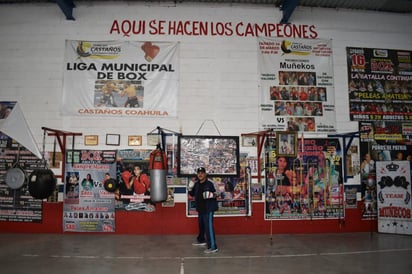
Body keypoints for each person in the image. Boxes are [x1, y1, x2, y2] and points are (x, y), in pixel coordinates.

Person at [188, 167, 219, 253]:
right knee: (201, 226)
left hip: (208, 209)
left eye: (202, 173)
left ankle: (213, 247)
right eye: (199, 173)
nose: (200, 174)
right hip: (200, 209)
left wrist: (211, 195)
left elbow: (218, 193)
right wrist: (190, 188)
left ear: (205, 174)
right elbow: (191, 193)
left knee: (209, 227)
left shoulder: (210, 183)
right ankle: (201, 240)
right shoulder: (197, 184)